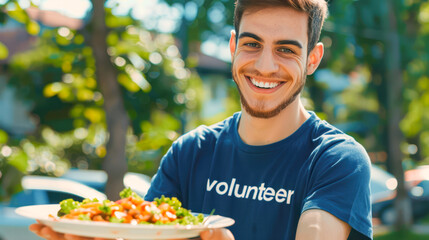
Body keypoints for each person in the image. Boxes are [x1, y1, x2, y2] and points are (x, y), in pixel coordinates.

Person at [30, 0, 372, 239]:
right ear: (233, 46)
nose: (265, 66)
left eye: (286, 49)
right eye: (252, 44)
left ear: (312, 59)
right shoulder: (190, 152)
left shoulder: (336, 160)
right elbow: (146, 232)